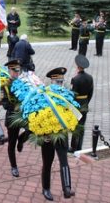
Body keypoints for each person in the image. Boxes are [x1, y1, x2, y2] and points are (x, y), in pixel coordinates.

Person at [41, 67, 75, 201]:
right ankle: (46, 188)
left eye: (61, 82)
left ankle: (67, 188)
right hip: (48, 136)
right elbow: (37, 116)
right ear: (51, 81)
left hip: (61, 134)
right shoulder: (44, 96)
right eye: (57, 82)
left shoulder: (66, 96)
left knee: (64, 161)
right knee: (47, 163)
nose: (60, 85)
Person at [1, 59, 27, 177]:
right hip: (12, 117)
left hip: (23, 116)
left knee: (32, 129)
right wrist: (17, 106)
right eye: (14, 71)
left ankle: (21, 140)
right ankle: (14, 166)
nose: (17, 73)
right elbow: (5, 104)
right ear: (9, 70)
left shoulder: (23, 83)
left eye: (18, 70)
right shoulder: (5, 86)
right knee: (12, 143)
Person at [69, 55, 94, 153]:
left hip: (76, 105)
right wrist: (86, 102)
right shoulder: (90, 77)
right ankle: (79, 146)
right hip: (84, 104)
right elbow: (91, 93)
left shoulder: (75, 79)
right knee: (82, 126)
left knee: (76, 126)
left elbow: (73, 94)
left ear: (77, 66)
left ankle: (73, 147)